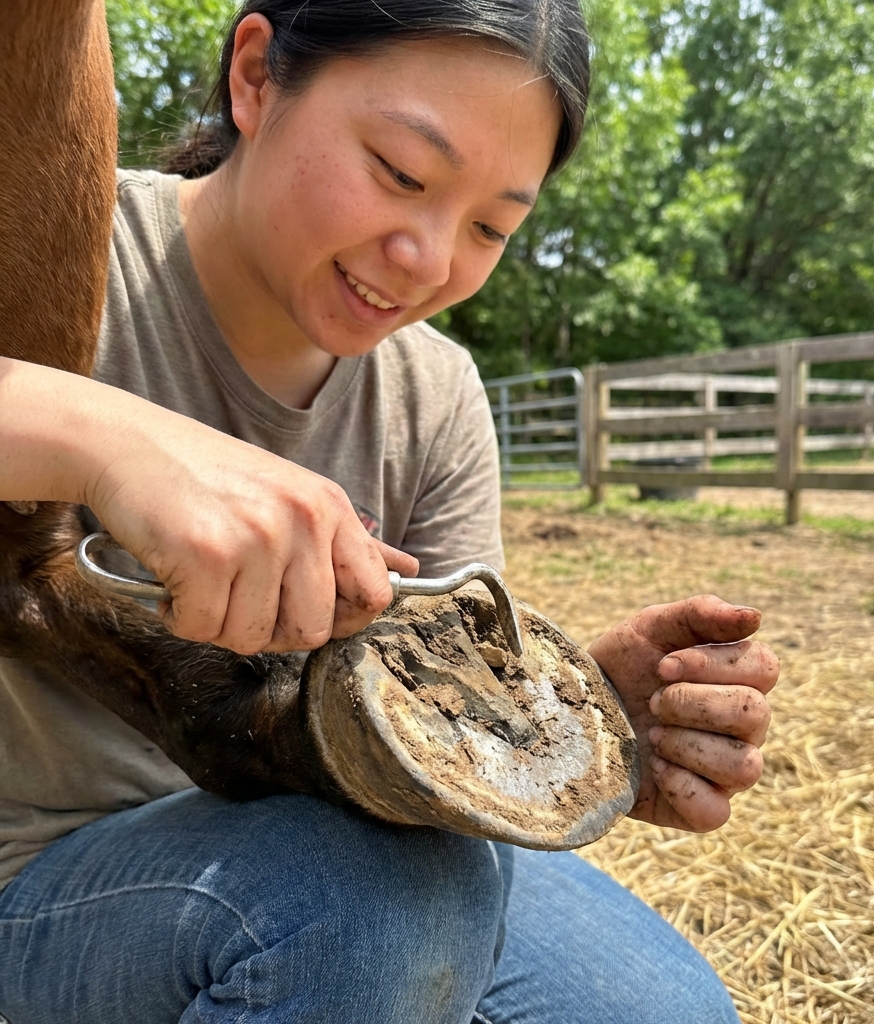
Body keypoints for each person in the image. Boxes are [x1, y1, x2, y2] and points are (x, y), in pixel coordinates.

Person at [0, 1, 779, 1021]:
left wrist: (556, 726)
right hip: (47, 878)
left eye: (492, 225)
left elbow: (413, 727)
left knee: (659, 1007)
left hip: (327, 831)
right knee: (373, 908)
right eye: (401, 172)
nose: (428, 256)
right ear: (255, 76)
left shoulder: (436, 396)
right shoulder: (56, 244)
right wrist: (112, 442)